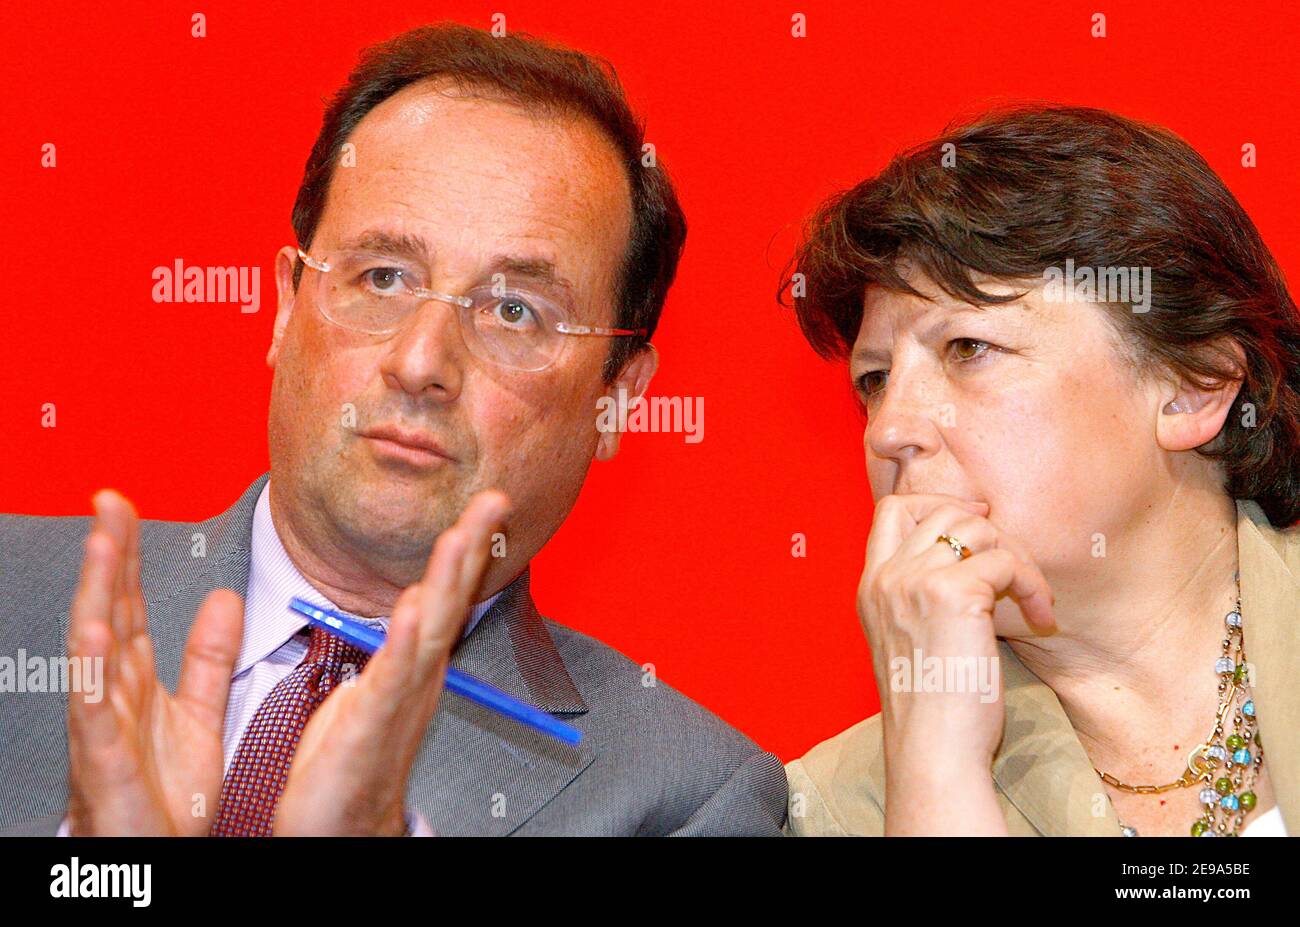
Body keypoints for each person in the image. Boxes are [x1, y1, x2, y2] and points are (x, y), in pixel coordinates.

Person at [0, 22, 786, 837]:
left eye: (515, 310)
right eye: (382, 276)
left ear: (618, 395)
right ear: (283, 306)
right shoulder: (13, 601)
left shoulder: (688, 797)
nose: (420, 361)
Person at [781, 106, 1299, 837]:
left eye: (966, 347)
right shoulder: (831, 809)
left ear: (1195, 385)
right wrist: (936, 767)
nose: (889, 429)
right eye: (874, 380)